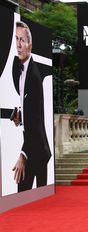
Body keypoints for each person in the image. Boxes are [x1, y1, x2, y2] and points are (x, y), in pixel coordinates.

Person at [11, 21, 51, 192]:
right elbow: (27, 107)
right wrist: (19, 115)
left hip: (37, 150)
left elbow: (35, 122)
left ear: (30, 45)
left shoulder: (34, 77)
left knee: (30, 198)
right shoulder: (16, 68)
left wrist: (22, 155)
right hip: (33, 144)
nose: (18, 45)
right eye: (16, 39)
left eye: (22, 40)